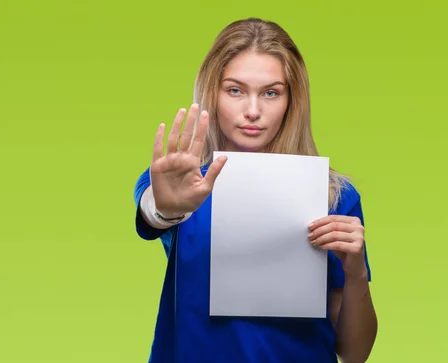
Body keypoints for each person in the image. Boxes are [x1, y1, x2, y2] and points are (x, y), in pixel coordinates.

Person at [132, 17, 378, 362]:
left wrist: (357, 273)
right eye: (235, 90)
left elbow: (354, 353)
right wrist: (167, 209)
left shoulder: (334, 195)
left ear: (292, 100)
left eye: (271, 93)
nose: (252, 111)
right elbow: (153, 209)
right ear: (212, 94)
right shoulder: (181, 181)